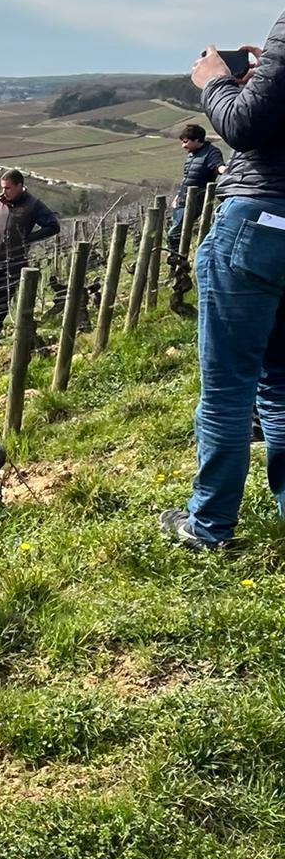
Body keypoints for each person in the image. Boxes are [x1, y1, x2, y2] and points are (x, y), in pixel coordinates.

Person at [161, 27, 285, 550]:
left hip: (258, 219)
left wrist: (216, 83)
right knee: (280, 386)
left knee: (228, 389)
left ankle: (209, 525)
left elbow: (245, 123)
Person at [0, 169, 61, 344]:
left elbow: (53, 226)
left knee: (2, 302)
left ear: (19, 186)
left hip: (16, 261)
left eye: (8, 188)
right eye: (2, 187)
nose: (4, 191)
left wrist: (29, 238)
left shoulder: (33, 205)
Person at [167, 123, 223, 258]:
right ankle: (178, 265)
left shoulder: (211, 152)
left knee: (173, 233)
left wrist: (225, 171)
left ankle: (177, 261)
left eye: (186, 142)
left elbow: (218, 166)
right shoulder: (191, 155)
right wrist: (177, 196)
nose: (183, 146)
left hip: (195, 201)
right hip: (182, 199)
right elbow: (187, 177)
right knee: (177, 233)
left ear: (197, 140)